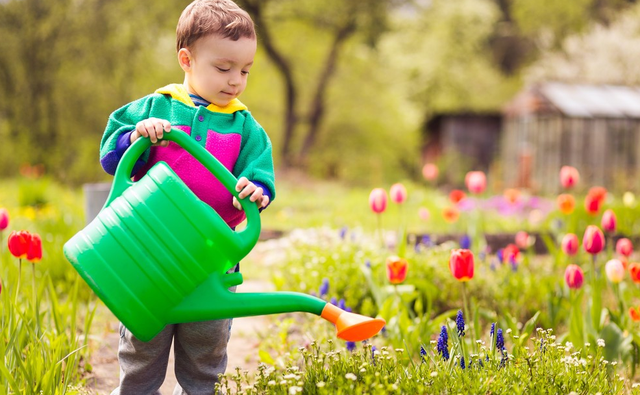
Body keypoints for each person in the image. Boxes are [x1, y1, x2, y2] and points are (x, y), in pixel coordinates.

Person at [98, 0, 275, 393]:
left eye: (245, 70)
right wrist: (137, 135)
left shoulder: (245, 126)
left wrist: (255, 190)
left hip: (211, 257)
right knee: (142, 348)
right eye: (224, 68)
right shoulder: (154, 108)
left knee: (205, 351)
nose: (235, 81)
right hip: (149, 253)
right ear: (187, 59)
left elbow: (260, 175)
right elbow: (112, 157)